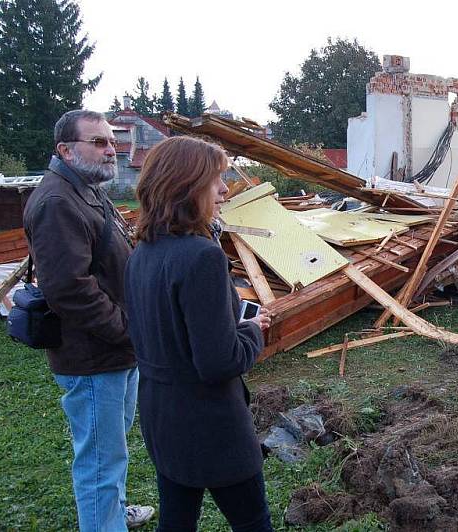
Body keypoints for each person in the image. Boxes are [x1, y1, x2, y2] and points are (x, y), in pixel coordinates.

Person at [124, 136, 273, 531]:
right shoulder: (201, 256)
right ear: (186, 187)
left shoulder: (143, 251)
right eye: (216, 180)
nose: (225, 190)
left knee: (176, 520)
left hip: (161, 415)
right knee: (252, 522)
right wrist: (251, 330)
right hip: (211, 423)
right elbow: (218, 362)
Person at [22, 110, 155, 530]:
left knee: (110, 448)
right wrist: (127, 331)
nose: (109, 150)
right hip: (94, 356)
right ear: (65, 149)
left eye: (111, 142)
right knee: (100, 458)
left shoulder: (86, 190)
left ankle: (111, 512)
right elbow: (69, 290)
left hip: (115, 351)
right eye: (97, 142)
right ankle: (103, 522)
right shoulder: (58, 201)